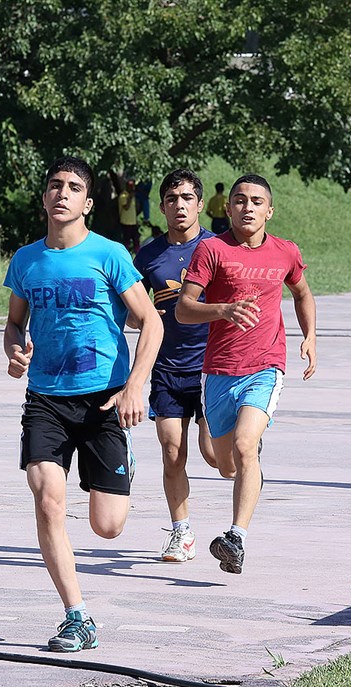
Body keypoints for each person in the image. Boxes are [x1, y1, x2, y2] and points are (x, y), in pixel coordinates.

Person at [2, 156, 163, 652]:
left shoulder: (109, 254)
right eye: (55, 185)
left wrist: (134, 387)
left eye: (73, 187)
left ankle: (120, 460)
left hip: (103, 401)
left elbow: (151, 322)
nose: (62, 193)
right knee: (48, 498)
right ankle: (77, 616)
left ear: (88, 203)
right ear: (44, 196)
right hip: (46, 400)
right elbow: (15, 323)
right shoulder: (26, 260)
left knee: (107, 526)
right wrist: (14, 350)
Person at [175, 174, 317, 574]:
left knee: (243, 445)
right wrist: (222, 309)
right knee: (225, 464)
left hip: (265, 366)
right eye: (240, 200)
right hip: (219, 370)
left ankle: (236, 538)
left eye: (256, 201)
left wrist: (310, 336)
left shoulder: (285, 251)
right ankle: (249, 459)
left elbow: (302, 292)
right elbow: (183, 309)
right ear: (228, 208)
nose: (248, 207)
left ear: (269, 210)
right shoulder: (212, 249)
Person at [130, 168, 220, 562]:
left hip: (214, 366)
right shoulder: (148, 255)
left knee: (216, 457)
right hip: (167, 368)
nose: (179, 205)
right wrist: (145, 316)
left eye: (186, 198)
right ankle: (182, 533)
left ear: (199, 205)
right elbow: (131, 311)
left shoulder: (218, 247)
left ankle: (246, 451)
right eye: (171, 199)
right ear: (162, 207)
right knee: (172, 452)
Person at [118, 178, 140, 255]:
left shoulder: (133, 196)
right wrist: (130, 197)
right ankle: (125, 255)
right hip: (125, 222)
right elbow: (126, 207)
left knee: (136, 241)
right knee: (126, 242)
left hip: (133, 222)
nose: (132, 188)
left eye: (133, 186)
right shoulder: (123, 196)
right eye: (131, 186)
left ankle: (138, 256)